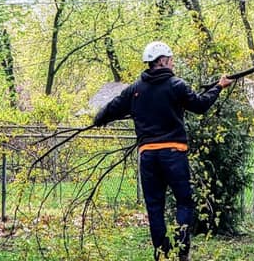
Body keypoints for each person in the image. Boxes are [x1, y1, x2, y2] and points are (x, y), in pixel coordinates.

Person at [93, 41, 233, 261]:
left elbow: (112, 107)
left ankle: (161, 253)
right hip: (174, 154)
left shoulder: (135, 89)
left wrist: (97, 120)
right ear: (162, 61)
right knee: (184, 201)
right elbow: (199, 105)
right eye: (171, 58)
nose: (173, 62)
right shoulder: (176, 85)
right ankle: (181, 250)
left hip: (148, 155)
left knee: (155, 206)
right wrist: (219, 87)